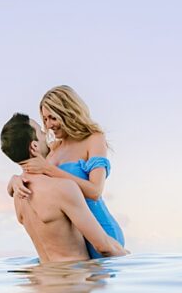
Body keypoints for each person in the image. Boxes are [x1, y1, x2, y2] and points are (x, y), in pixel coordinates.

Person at [8, 86, 125, 258]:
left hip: (102, 233)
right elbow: (35, 179)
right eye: (45, 119)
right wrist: (14, 180)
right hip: (75, 240)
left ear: (68, 112)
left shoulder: (93, 139)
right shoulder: (53, 149)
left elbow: (95, 191)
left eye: (52, 118)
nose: (49, 125)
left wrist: (49, 169)